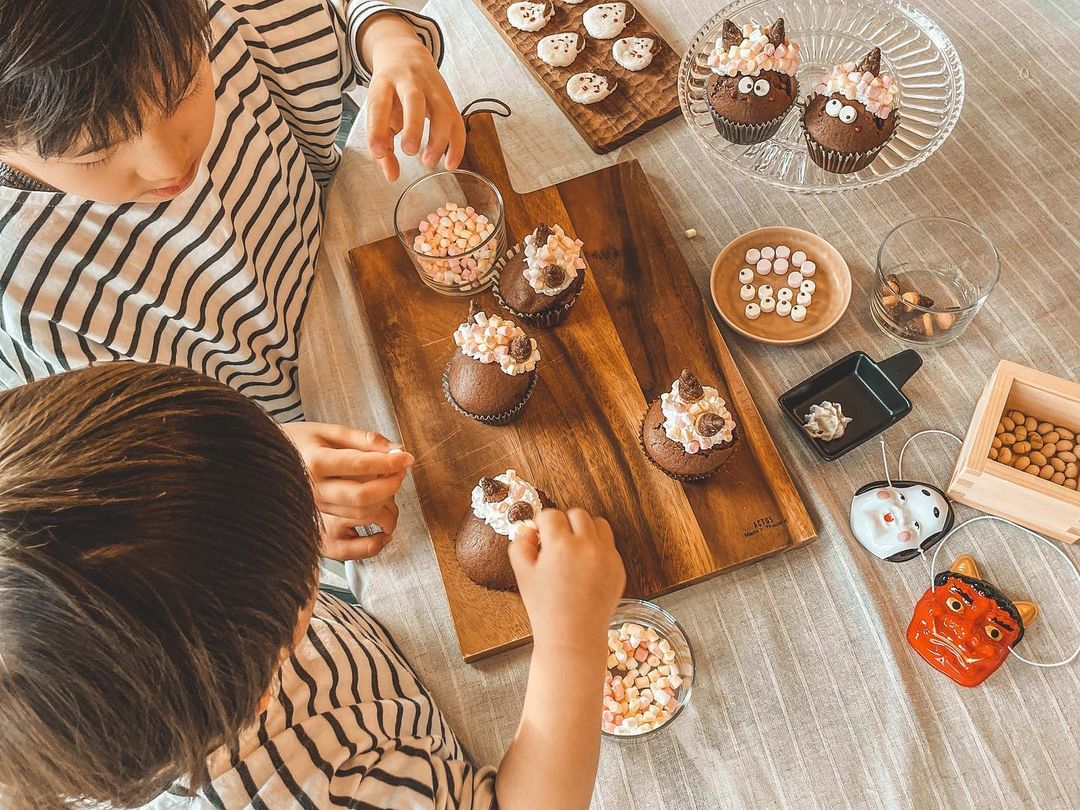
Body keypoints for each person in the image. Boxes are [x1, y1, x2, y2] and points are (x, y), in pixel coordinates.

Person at [0, 362, 626, 809]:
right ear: (266, 678)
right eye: (300, 550)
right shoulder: (335, 791)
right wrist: (572, 638)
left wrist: (257, 493)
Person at [0, 0, 464, 560]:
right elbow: (112, 482)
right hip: (272, 451)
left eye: (180, 92)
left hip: (353, 264)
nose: (169, 162)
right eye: (95, 150)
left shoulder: (192, 16)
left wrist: (389, 38)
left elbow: (342, 15)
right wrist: (260, 484)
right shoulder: (21, 292)